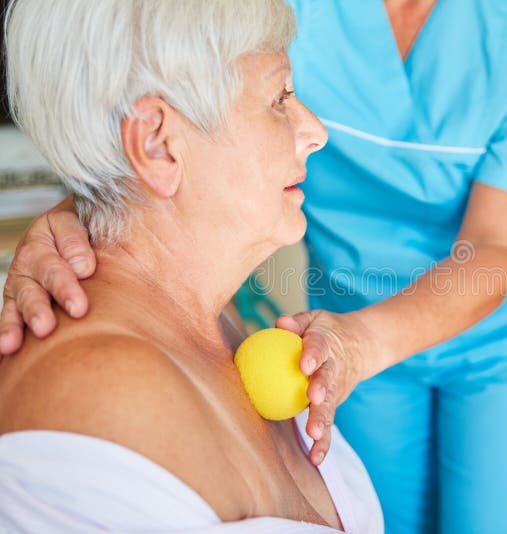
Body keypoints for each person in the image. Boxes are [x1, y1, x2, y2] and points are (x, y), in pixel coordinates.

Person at [1, 0, 507, 532]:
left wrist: (361, 344)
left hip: (497, 331)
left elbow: (497, 242)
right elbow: (157, 95)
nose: (311, 130)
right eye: (284, 99)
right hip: (345, 317)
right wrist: (84, 205)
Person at [0, 1, 383, 532]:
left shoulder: (212, 318)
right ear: (158, 144)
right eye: (280, 98)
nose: (314, 131)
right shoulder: (105, 397)